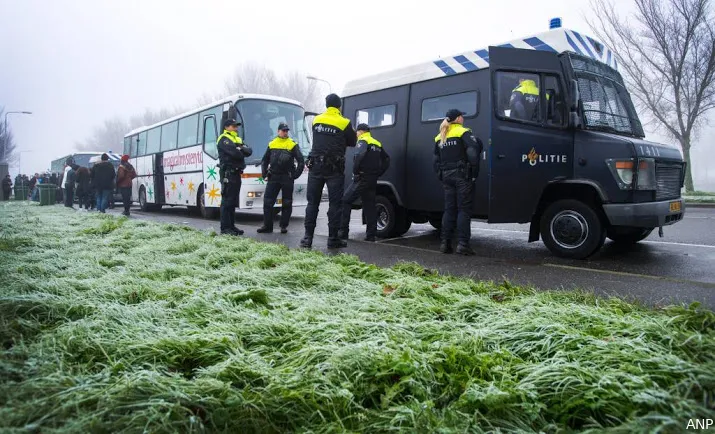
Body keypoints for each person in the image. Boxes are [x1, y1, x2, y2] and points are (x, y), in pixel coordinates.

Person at [300, 93, 357, 249]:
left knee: (312, 203)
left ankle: (307, 238)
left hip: (315, 168)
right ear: (339, 106)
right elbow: (353, 141)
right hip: (334, 169)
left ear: (326, 105)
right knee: (335, 205)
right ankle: (333, 239)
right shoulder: (344, 122)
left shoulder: (316, 120)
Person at [433, 109, 483, 256]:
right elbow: (473, 154)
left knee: (449, 210)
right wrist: (474, 174)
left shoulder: (439, 137)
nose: (463, 118)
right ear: (459, 118)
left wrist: (441, 176)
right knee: (464, 210)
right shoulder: (463, 132)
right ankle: (463, 244)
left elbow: (435, 161)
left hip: (447, 177)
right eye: (462, 116)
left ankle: (445, 244)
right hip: (462, 176)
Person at [339, 123, 390, 242]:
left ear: (361, 131)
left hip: (362, 178)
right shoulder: (377, 143)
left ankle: (343, 232)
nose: (356, 134)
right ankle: (370, 235)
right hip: (372, 179)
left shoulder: (362, 141)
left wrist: (356, 172)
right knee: (369, 206)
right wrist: (378, 173)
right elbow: (386, 159)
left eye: (357, 132)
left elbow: (358, 156)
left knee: (346, 200)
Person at [257, 122, 305, 234]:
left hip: (287, 178)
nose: (285, 132)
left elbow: (301, 161)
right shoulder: (272, 143)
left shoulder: (292, 144)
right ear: (278, 131)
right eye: (283, 130)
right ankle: (267, 226)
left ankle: (283, 226)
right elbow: (265, 160)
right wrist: (264, 174)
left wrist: (295, 175)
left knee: (287, 203)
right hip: (273, 176)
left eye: (287, 131)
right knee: (268, 202)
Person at [217, 118, 253, 235]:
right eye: (233, 126)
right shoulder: (224, 139)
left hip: (237, 173)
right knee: (227, 202)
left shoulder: (236, 139)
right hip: (228, 173)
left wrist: (239, 148)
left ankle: (232, 227)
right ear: (226, 127)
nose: (236, 128)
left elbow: (249, 151)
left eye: (236, 126)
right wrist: (239, 149)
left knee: (232, 202)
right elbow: (235, 154)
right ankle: (225, 228)